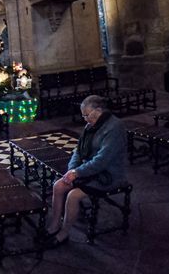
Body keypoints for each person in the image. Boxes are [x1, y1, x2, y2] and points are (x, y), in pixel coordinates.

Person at [45, 95, 128, 246]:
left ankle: (63, 234)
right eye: (83, 115)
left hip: (108, 174)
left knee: (73, 195)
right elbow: (78, 151)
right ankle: (54, 225)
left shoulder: (115, 127)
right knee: (58, 186)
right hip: (89, 170)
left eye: (87, 115)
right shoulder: (91, 125)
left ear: (99, 110)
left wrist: (77, 173)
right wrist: (72, 170)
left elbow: (103, 160)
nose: (85, 119)